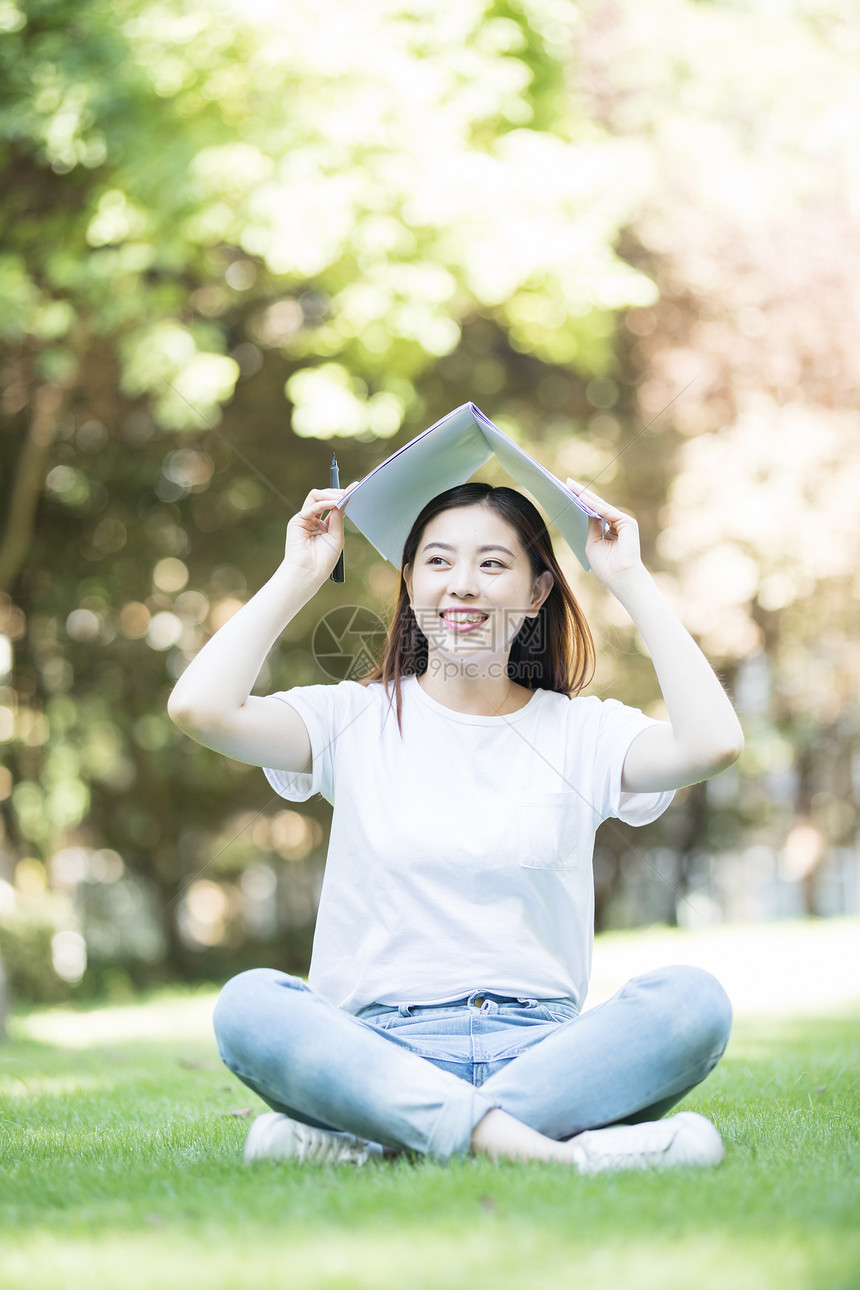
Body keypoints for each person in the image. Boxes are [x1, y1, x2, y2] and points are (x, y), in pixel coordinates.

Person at [167, 473, 743, 1172]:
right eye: (438, 561)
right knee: (250, 1005)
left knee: (692, 1003)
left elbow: (713, 743)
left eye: (492, 563)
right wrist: (299, 572)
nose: (462, 584)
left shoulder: (582, 734)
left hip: (541, 1055)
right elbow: (199, 709)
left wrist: (627, 575)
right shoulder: (351, 718)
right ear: (411, 586)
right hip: (378, 1051)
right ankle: (552, 1154)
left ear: (537, 594)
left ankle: (388, 1143)